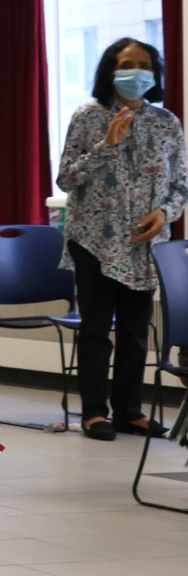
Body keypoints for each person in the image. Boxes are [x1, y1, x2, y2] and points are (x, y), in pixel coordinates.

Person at [56, 38, 188, 441]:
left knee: (135, 330)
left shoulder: (167, 123)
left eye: (144, 64)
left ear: (155, 73)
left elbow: (180, 184)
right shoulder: (87, 116)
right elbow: (65, 178)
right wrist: (106, 145)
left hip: (144, 244)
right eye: (127, 63)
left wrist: (165, 212)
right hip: (94, 239)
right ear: (111, 70)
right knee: (96, 329)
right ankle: (94, 414)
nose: (136, 72)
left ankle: (129, 411)